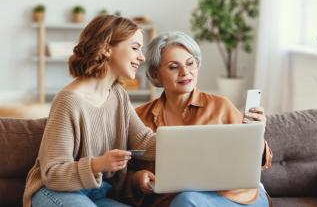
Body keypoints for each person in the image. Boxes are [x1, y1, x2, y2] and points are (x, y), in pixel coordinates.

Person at [125, 31, 272, 207]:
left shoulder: (221, 106)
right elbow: (121, 172)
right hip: (172, 202)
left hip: (235, 198)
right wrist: (136, 179)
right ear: (156, 74)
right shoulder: (139, 117)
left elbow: (258, 162)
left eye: (190, 64)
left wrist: (257, 133)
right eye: (173, 67)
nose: (185, 72)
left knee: (187, 200)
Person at [23, 15, 156, 207]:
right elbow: (52, 174)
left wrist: (190, 142)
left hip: (99, 194)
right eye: (135, 47)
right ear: (106, 48)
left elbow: (144, 142)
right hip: (54, 191)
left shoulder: (119, 95)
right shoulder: (68, 101)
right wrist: (98, 164)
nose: (142, 57)